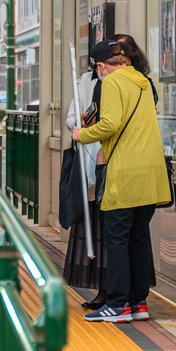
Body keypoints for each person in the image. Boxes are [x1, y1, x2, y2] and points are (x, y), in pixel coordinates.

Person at [72, 38, 172, 324]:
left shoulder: (111, 83)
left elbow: (111, 124)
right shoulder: (141, 80)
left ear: (102, 66)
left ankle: (117, 305)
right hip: (151, 174)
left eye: (97, 69)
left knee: (116, 241)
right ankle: (138, 302)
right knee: (138, 239)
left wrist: (83, 134)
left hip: (125, 173)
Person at [63, 64, 106, 308]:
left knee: (109, 230)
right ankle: (99, 289)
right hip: (88, 167)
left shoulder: (127, 83)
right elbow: (71, 120)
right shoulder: (85, 81)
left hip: (111, 167)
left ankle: (110, 290)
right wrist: (82, 125)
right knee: (92, 225)